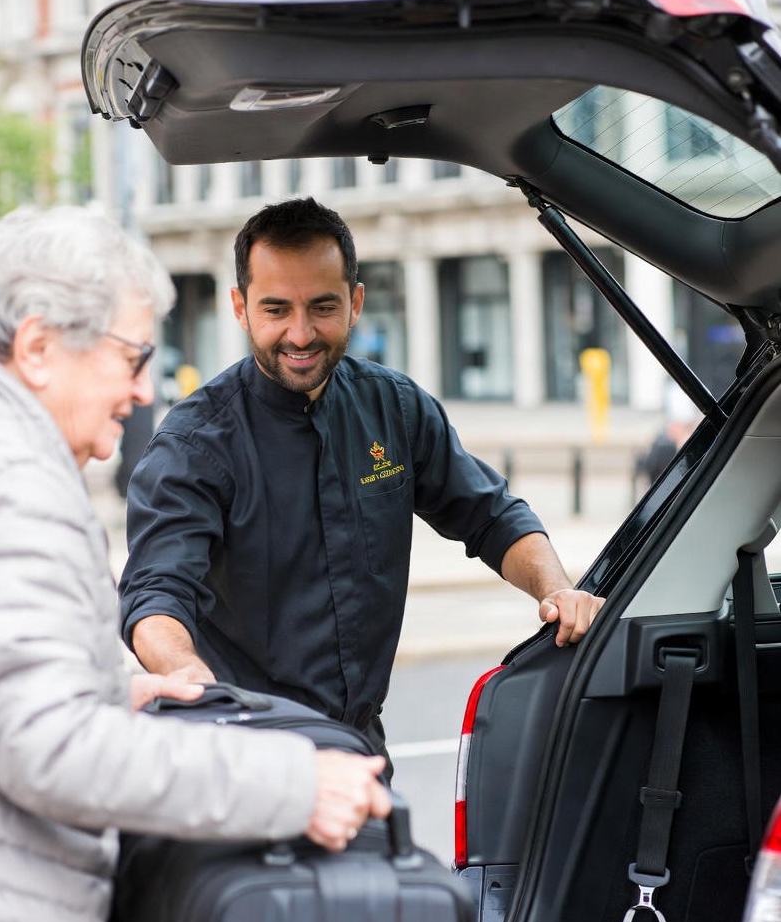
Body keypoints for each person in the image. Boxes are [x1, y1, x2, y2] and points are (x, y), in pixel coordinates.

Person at [0, 204, 390, 922]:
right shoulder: (19, 487)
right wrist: (290, 783)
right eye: (131, 357)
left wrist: (115, 686)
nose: (144, 389)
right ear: (37, 350)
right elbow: (47, 746)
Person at [119, 197, 604, 767]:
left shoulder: (395, 407)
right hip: (242, 755)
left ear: (355, 303)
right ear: (240, 308)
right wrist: (186, 675)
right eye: (276, 309)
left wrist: (556, 590)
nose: (300, 334)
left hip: (362, 748)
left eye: (322, 306)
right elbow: (156, 594)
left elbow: (493, 516)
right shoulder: (194, 443)